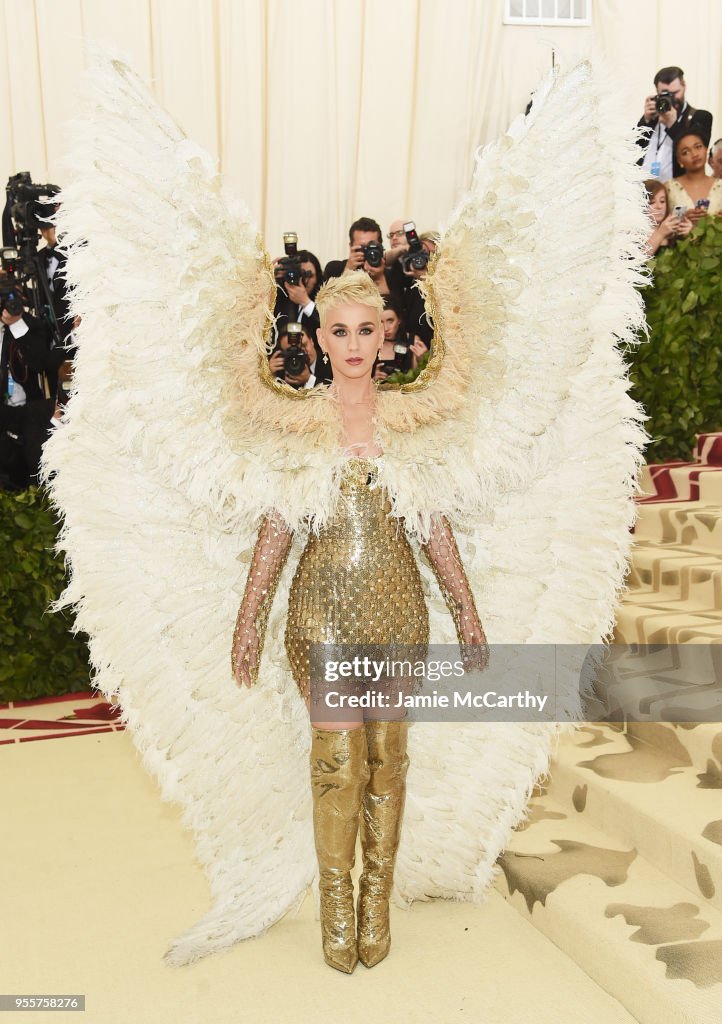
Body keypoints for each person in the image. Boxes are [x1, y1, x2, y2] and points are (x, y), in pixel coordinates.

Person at [231, 271, 488, 973]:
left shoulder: (410, 422)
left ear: (386, 336)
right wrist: (250, 613)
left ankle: (378, 896)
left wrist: (465, 609)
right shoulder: (298, 423)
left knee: (387, 765)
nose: (351, 344)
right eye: (338, 330)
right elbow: (278, 526)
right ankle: (336, 904)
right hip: (321, 612)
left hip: (398, 610)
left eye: (365, 330)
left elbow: (432, 525)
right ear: (318, 337)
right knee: (337, 765)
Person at [637, 66, 713, 181]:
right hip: (646, 191)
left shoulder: (701, 117)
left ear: (684, 86)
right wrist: (645, 121)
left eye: (675, 93)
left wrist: (672, 124)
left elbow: (694, 152)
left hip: (679, 191)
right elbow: (633, 150)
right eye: (665, 94)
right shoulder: (652, 119)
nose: (672, 98)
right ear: (657, 92)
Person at [665, 130, 722, 228]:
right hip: (679, 243)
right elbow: (659, 224)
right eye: (685, 152)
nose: (694, 154)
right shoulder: (669, 188)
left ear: (706, 149)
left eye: (698, 147)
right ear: (679, 160)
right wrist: (682, 219)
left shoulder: (720, 186)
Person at [272, 248, 323, 339]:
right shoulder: (278, 297)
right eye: (300, 274)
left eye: (309, 275)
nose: (304, 280)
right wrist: (266, 279)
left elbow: (328, 324)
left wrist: (305, 302)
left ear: (317, 278)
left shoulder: (324, 300)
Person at [268, 319, 331, 389]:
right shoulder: (281, 372)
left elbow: (339, 394)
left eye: (303, 345)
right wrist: (269, 377)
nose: (300, 353)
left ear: (312, 341)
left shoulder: (332, 361)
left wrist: (309, 379)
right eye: (291, 350)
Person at [643, 178, 692, 256]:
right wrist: (660, 234)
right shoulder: (632, 234)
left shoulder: (674, 232)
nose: (659, 206)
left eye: (662, 201)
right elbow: (637, 261)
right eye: (651, 202)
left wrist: (689, 236)